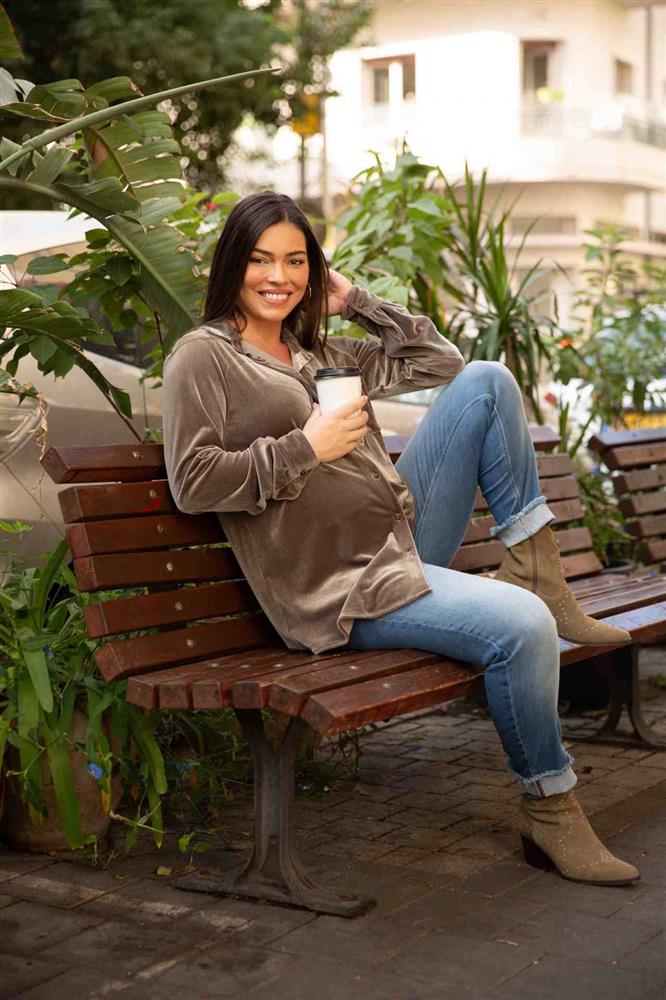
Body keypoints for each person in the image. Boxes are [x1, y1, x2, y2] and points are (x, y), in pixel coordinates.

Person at [163, 191, 639, 887]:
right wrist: (306, 447)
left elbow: (437, 362)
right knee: (523, 628)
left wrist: (353, 298)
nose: (278, 276)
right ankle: (551, 807)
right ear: (232, 263)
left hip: (398, 543)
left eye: (296, 261)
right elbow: (194, 482)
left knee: (485, 379)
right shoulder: (204, 359)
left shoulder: (315, 348)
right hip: (342, 589)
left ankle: (538, 566)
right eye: (261, 259)